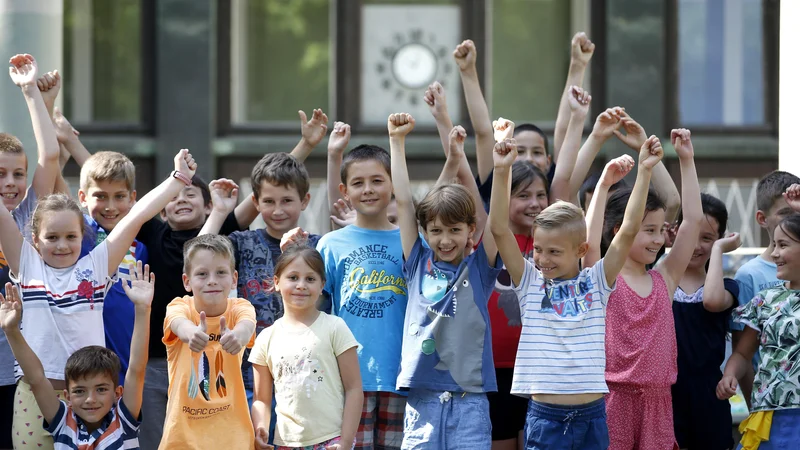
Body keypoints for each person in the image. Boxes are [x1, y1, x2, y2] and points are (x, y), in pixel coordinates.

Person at [0, 148, 197, 450]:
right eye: (51, 238)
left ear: (83, 236)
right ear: (35, 240)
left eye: (70, 236)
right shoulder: (26, 265)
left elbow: (138, 215)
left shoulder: (95, 266)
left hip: (92, 398)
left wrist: (178, 179)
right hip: (35, 393)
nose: (62, 245)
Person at [491, 133, 662, 449]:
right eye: (539, 249)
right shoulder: (530, 281)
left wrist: (645, 171)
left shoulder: (596, 282)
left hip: (593, 416)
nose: (542, 259)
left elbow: (627, 232)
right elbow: (499, 229)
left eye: (554, 252)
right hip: (545, 417)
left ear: (581, 248)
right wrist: (502, 171)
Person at [391, 113, 501, 449]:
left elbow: (498, 222)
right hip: (422, 399)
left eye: (455, 230)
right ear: (425, 233)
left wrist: (503, 167)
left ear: (471, 230)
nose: (445, 239)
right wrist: (397, 142)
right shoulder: (417, 262)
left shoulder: (479, 267)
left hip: (469, 400)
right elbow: (405, 202)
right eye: (436, 231)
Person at [601, 129, 702, 450]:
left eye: (661, 230)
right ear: (622, 230)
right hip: (614, 398)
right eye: (649, 231)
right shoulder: (604, 277)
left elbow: (693, 222)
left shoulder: (664, 277)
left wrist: (686, 159)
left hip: (659, 400)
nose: (659, 239)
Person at [0, 261, 152, 448]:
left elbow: (137, 368)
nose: (91, 399)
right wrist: (11, 330)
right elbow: (36, 378)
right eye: (79, 391)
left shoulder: (123, 420)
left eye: (101, 389)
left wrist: (143, 309)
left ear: (117, 393)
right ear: (67, 397)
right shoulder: (63, 424)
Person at [317, 141, 408, 450]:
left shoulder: (413, 242)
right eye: (358, 183)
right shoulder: (330, 245)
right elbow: (317, 312)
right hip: (348, 379)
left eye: (377, 180)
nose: (368, 189)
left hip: (402, 378)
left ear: (394, 184)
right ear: (345, 190)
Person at [0, 54, 62, 450]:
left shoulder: (28, 212)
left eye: (17, 174)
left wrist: (31, 94)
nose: (10, 182)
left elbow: (50, 156)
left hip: (22, 371)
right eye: (0, 173)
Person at [250, 245, 362, 450]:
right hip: (286, 442)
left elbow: (354, 389)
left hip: (332, 441)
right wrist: (260, 428)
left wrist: (345, 442)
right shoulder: (266, 338)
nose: (301, 285)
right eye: (293, 277)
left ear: (322, 286)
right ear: (276, 282)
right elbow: (262, 400)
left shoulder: (335, 327)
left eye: (310, 279)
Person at [159, 234, 257, 449]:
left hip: (233, 438)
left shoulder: (241, 307)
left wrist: (238, 336)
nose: (212, 280)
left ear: (234, 279)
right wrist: (191, 333)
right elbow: (178, 322)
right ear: (187, 281)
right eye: (202, 274)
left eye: (220, 272)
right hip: (182, 437)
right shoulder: (179, 306)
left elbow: (247, 324)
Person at [717, 212, 800, 449]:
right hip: (769, 418)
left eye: (783, 245)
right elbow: (743, 354)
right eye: (774, 244)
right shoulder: (766, 300)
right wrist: (730, 374)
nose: (774, 253)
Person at [671, 194, 739, 450]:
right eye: (691, 235)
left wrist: (719, 251)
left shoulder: (728, 287)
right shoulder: (658, 281)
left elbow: (711, 301)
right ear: (677, 231)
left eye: (708, 239)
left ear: (721, 239)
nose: (697, 246)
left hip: (710, 397)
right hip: (666, 396)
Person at [77, 151, 148, 385]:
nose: (110, 206)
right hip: (81, 368)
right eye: (100, 196)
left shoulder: (140, 248)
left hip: (126, 368)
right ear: (83, 197)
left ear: (132, 198)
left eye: (119, 196)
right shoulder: (79, 235)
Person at [731, 172, 800, 407]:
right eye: (785, 213)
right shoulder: (752, 278)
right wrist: (755, 407)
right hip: (771, 407)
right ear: (762, 218)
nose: (792, 220)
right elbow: (743, 351)